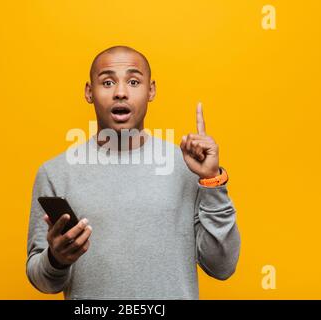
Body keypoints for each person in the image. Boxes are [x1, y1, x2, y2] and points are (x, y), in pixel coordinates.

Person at [26, 45, 240, 299]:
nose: (120, 92)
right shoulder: (55, 173)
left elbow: (223, 267)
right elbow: (43, 281)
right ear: (89, 92)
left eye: (134, 81)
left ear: (151, 91)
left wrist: (212, 182)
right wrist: (56, 259)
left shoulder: (188, 166)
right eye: (107, 82)